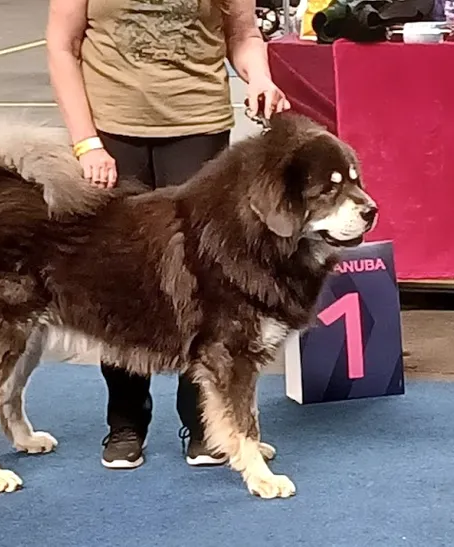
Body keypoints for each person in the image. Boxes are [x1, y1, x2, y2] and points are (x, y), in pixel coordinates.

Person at [47, 0, 290, 470]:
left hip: (199, 128)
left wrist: (258, 78)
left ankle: (204, 425)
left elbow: (243, 35)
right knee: (119, 279)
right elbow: (63, 45)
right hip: (111, 132)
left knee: (206, 286)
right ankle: (125, 421)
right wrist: (86, 142)